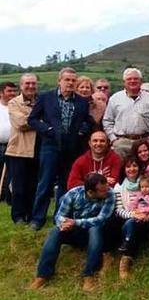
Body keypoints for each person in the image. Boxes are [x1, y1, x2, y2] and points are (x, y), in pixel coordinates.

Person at [29, 67, 93, 231]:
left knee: (66, 184)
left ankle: (60, 216)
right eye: (67, 80)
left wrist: (82, 130)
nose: (70, 83)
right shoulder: (46, 98)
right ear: (59, 81)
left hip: (71, 148)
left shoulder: (81, 101)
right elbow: (32, 119)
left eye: (73, 80)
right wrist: (47, 130)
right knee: (45, 182)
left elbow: (88, 121)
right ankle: (37, 218)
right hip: (50, 146)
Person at [29, 173, 115, 292]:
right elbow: (59, 216)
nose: (106, 191)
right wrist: (64, 224)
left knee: (95, 228)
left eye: (106, 187)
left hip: (97, 234)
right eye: (102, 191)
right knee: (55, 231)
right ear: (90, 192)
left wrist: (75, 222)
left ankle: (89, 275)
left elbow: (101, 219)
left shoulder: (110, 195)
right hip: (75, 232)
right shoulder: (74, 194)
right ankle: (42, 275)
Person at [116, 174, 149, 279]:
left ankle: (126, 254)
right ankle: (127, 246)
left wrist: (148, 214)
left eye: (134, 166)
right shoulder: (120, 187)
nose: (131, 169)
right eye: (128, 166)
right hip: (131, 217)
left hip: (148, 219)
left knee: (133, 225)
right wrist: (134, 212)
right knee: (131, 223)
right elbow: (126, 207)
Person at [103, 68, 149, 159]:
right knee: (122, 170)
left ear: (141, 81)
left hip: (145, 142)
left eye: (135, 78)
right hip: (122, 143)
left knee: (145, 169)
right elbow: (107, 120)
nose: (132, 81)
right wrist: (113, 139)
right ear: (124, 82)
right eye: (129, 79)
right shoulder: (114, 98)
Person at [7, 73, 38, 224]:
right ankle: (18, 216)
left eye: (33, 83)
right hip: (19, 149)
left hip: (38, 149)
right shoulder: (13, 102)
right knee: (18, 186)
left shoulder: (42, 101)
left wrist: (31, 118)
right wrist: (38, 119)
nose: (31, 86)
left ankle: (31, 213)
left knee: (33, 185)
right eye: (27, 83)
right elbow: (20, 123)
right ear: (21, 86)